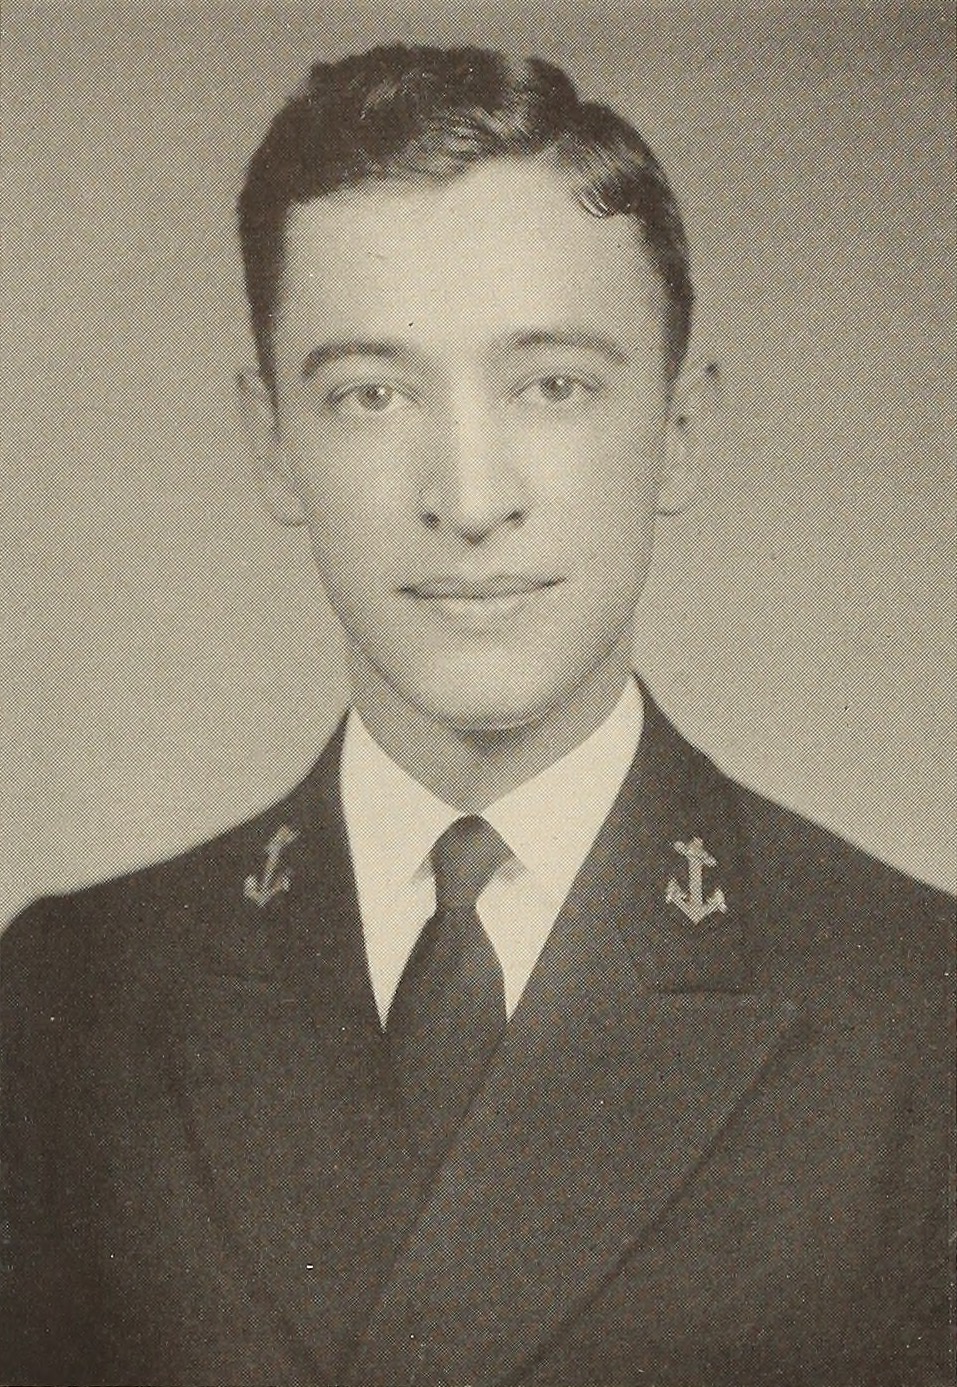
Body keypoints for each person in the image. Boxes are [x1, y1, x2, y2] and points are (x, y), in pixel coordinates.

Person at [1, 44, 951, 1387]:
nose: (466, 495)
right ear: (273, 446)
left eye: (551, 385)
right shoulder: (66, 997)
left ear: (680, 430)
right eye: (370, 394)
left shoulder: (915, 1008)